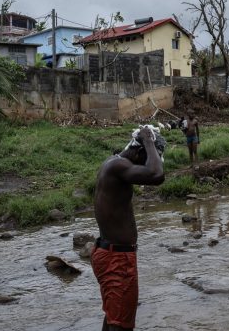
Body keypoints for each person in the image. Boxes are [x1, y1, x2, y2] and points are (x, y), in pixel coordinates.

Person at [92, 126, 166, 331]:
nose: (145, 165)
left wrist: (148, 146)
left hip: (110, 253)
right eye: (146, 158)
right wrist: (149, 140)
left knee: (114, 317)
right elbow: (156, 174)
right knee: (121, 324)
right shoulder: (118, 167)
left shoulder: (113, 164)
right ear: (138, 151)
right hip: (117, 259)